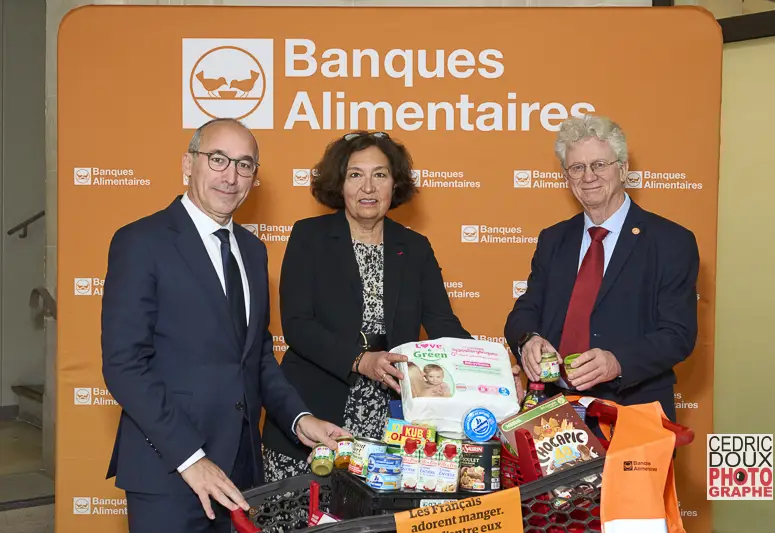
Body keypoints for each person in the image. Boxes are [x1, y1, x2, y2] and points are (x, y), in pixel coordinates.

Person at [100, 118, 349, 533]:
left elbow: (257, 358)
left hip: (242, 471)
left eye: (245, 165)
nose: (231, 176)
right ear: (188, 164)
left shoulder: (252, 251)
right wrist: (190, 459)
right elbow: (125, 365)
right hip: (170, 471)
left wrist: (299, 418)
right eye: (218, 160)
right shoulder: (141, 242)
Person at [262, 131, 473, 481]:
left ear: (395, 183)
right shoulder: (309, 237)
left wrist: (488, 369)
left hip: (387, 425)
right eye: (355, 175)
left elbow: (443, 325)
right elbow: (298, 325)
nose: (368, 188)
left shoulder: (415, 248)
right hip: (314, 418)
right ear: (339, 183)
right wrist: (361, 361)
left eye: (380, 174)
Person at [504, 115, 699, 422]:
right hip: (554, 417)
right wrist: (528, 339)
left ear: (622, 168)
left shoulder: (671, 241)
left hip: (634, 415)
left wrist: (617, 361)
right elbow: (526, 309)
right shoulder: (553, 239)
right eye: (577, 167)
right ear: (566, 177)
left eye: (599, 164)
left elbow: (678, 334)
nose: (588, 176)